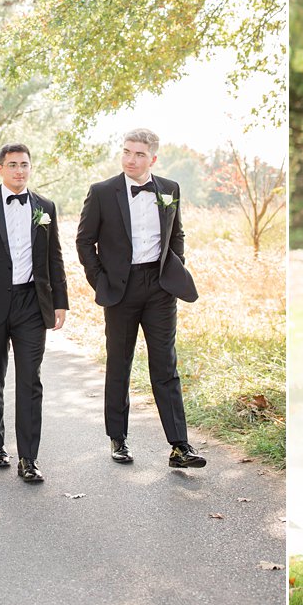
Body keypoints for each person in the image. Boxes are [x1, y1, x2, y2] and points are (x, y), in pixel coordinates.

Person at [75, 128, 205, 469]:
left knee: (165, 363)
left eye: (139, 154)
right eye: (127, 152)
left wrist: (173, 270)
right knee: (120, 363)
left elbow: (176, 234)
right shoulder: (102, 192)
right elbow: (84, 242)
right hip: (120, 288)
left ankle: (180, 446)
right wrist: (100, 282)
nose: (131, 159)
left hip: (160, 288)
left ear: (153, 159)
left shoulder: (170, 189)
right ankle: (118, 439)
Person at [0, 143, 69, 484]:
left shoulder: (45, 207)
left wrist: (60, 301)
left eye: (24, 165)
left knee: (30, 379)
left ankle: (29, 457)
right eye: (13, 165)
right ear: (0, 168)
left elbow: (55, 257)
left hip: (31, 304)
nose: (20, 170)